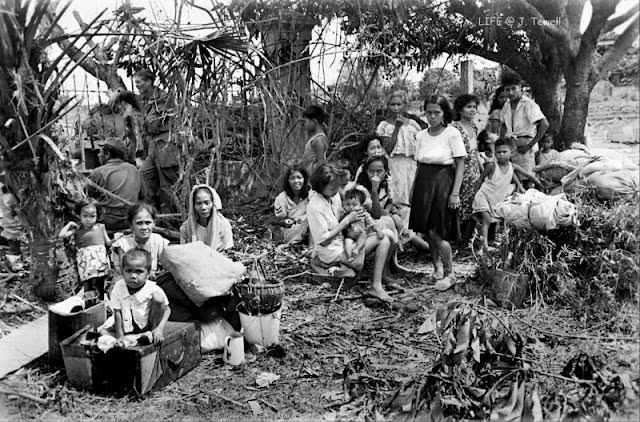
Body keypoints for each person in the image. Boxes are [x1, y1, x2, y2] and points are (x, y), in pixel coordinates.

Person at [306, 164, 396, 302]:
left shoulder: (334, 195)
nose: (336, 190)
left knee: (388, 234)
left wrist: (356, 214)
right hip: (333, 250)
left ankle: (382, 277)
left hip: (346, 239)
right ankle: (376, 285)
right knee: (384, 239)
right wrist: (347, 220)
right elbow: (324, 240)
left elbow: (342, 213)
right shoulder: (315, 206)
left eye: (337, 186)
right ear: (320, 187)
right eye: (332, 188)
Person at [410, 95, 466, 291]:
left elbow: (460, 164)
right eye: (429, 112)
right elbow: (418, 164)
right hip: (423, 182)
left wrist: (455, 193)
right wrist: (413, 190)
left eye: (437, 112)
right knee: (426, 230)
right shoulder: (420, 136)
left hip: (443, 181)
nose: (432, 117)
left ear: (444, 113)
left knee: (438, 231)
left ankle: (451, 274)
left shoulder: (452, 133)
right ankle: (437, 269)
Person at [472, 137, 543, 254]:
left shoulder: (513, 167)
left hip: (496, 199)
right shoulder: (491, 166)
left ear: (512, 152)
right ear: (495, 153)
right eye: (498, 152)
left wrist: (539, 184)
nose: (501, 155)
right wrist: (475, 194)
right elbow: (480, 180)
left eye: (504, 152)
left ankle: (485, 243)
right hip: (483, 196)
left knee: (494, 221)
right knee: (487, 220)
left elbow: (529, 175)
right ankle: (483, 246)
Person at [134, 69, 180, 212]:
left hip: (166, 147)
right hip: (154, 148)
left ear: (148, 82)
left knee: (169, 185)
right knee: (143, 177)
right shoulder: (145, 100)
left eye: (139, 82)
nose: (137, 85)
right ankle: (151, 213)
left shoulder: (164, 98)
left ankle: (174, 217)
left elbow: (154, 125)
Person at [106, 248, 171, 346]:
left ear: (148, 273)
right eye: (128, 271)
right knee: (103, 332)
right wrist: (120, 335)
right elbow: (117, 312)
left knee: (158, 298)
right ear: (122, 271)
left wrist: (159, 329)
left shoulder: (152, 288)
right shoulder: (119, 287)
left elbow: (167, 310)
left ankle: (152, 332)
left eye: (139, 272)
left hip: (147, 323)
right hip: (126, 324)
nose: (133, 276)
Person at [58, 198, 116, 299]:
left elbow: (108, 242)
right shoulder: (78, 229)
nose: (89, 219)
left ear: (97, 215)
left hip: (99, 263)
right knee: (87, 287)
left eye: (92, 216)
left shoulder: (101, 227)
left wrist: (117, 239)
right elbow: (61, 235)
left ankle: (100, 306)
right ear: (79, 216)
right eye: (85, 216)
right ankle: (89, 307)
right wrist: (70, 224)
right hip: (85, 264)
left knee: (99, 286)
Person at [499, 72, 550, 178]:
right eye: (507, 90)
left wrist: (529, 145)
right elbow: (503, 124)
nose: (511, 92)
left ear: (520, 87)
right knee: (513, 177)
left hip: (525, 145)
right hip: (511, 145)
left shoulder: (528, 104)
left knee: (528, 178)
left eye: (514, 89)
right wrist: (501, 141)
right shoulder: (507, 105)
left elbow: (544, 124)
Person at [375, 90, 421, 205]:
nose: (396, 108)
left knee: (414, 200)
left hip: (412, 167)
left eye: (399, 104)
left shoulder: (413, 125)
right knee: (396, 201)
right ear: (388, 106)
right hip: (394, 167)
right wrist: (396, 128)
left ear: (404, 105)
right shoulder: (384, 126)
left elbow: (421, 147)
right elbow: (388, 149)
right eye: (392, 104)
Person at [89, 138, 143, 231]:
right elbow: (143, 195)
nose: (98, 155)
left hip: (108, 221)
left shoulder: (99, 172)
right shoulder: (134, 169)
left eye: (100, 152)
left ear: (108, 154)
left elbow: (89, 195)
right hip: (130, 219)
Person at [451, 94, 482, 247]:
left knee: (473, 203)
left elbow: (476, 152)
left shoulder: (475, 127)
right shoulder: (454, 127)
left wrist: (482, 171)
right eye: (469, 107)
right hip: (459, 170)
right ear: (460, 110)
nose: (472, 110)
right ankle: (456, 238)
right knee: (458, 204)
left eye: (474, 107)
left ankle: (466, 240)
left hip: (474, 171)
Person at [111, 203, 169, 281]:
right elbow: (124, 269)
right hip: (129, 281)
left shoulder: (158, 240)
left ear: (154, 223)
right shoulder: (123, 244)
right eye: (139, 223)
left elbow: (166, 264)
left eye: (148, 223)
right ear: (131, 224)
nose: (144, 227)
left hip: (152, 280)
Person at [180, 184, 233, 251]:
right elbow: (183, 252)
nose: (203, 207)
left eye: (207, 202)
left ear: (213, 203)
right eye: (199, 203)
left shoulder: (223, 225)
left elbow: (228, 252)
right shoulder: (186, 228)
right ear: (193, 205)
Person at [342, 188, 384, 261]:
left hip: (360, 234)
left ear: (361, 205)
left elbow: (372, 223)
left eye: (354, 205)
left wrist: (378, 231)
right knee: (347, 242)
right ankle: (349, 256)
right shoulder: (345, 215)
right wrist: (347, 220)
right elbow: (342, 226)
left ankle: (357, 249)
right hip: (350, 235)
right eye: (348, 205)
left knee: (363, 235)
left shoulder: (364, 214)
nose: (351, 207)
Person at [273, 163, 311, 244]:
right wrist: (290, 221)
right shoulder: (282, 198)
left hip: (311, 229)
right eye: (292, 178)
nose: (296, 181)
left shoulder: (311, 194)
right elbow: (280, 220)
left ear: (304, 179)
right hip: (292, 231)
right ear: (288, 180)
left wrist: (305, 218)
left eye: (299, 177)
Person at [301, 105, 329, 177]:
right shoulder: (315, 138)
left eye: (306, 122)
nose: (305, 125)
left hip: (313, 181)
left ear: (314, 121)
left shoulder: (318, 140)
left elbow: (321, 164)